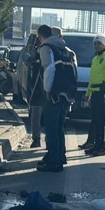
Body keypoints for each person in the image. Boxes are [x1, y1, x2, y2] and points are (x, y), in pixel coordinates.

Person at [36, 24, 77, 172]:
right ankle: (60, 156)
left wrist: (47, 90)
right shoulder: (66, 50)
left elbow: (49, 68)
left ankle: (54, 162)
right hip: (67, 94)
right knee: (59, 126)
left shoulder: (46, 48)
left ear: (41, 36)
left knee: (51, 128)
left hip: (54, 94)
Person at [82, 34, 105, 156]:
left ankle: (102, 147)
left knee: (102, 122)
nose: (97, 46)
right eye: (95, 44)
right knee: (96, 121)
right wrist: (88, 94)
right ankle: (95, 145)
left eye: (99, 43)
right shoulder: (96, 58)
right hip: (95, 94)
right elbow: (92, 79)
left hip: (103, 94)